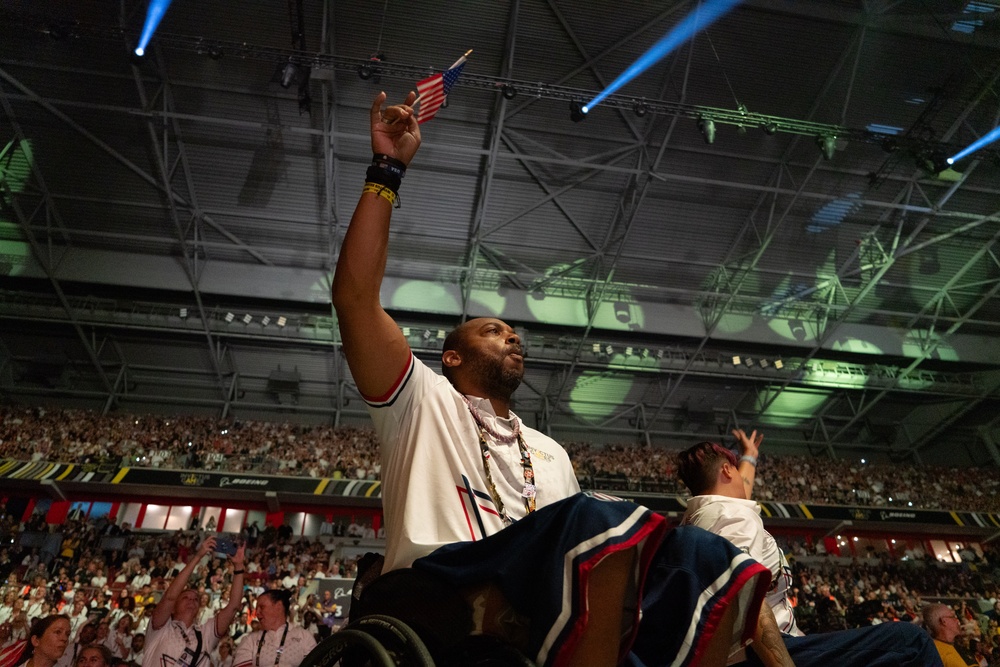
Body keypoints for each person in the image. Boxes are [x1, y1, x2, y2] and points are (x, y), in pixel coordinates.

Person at [331, 91, 771, 667]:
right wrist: (388, 170)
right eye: (492, 331)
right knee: (593, 515)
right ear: (453, 358)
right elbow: (355, 296)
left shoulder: (549, 452)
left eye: (515, 333)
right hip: (438, 580)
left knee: (699, 550)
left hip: (536, 598)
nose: (513, 337)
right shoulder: (420, 397)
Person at [677, 437, 943, 666]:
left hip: (738, 650)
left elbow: (738, 488)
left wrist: (749, 456)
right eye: (735, 469)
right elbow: (745, 599)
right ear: (726, 471)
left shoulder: (702, 517)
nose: (743, 481)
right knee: (912, 642)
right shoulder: (734, 516)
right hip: (754, 653)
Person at [142, 537, 244, 667]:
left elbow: (234, 606)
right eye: (185, 597)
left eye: (196, 599)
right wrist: (198, 556)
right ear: (173, 608)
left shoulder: (205, 633)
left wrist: (239, 566)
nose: (192, 600)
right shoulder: (160, 628)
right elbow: (169, 597)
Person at [231, 591, 314, 667]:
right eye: (256, 609)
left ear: (278, 606)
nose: (257, 613)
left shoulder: (304, 637)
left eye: (262, 607)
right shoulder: (250, 640)